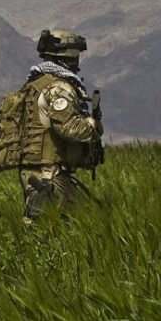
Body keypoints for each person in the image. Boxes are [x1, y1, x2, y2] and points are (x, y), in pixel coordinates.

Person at [18, 29, 104, 221]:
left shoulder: (35, 83)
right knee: (87, 221)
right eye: (76, 53)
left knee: (51, 225)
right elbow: (69, 128)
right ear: (68, 55)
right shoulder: (58, 87)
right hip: (49, 173)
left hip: (36, 170)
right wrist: (93, 125)